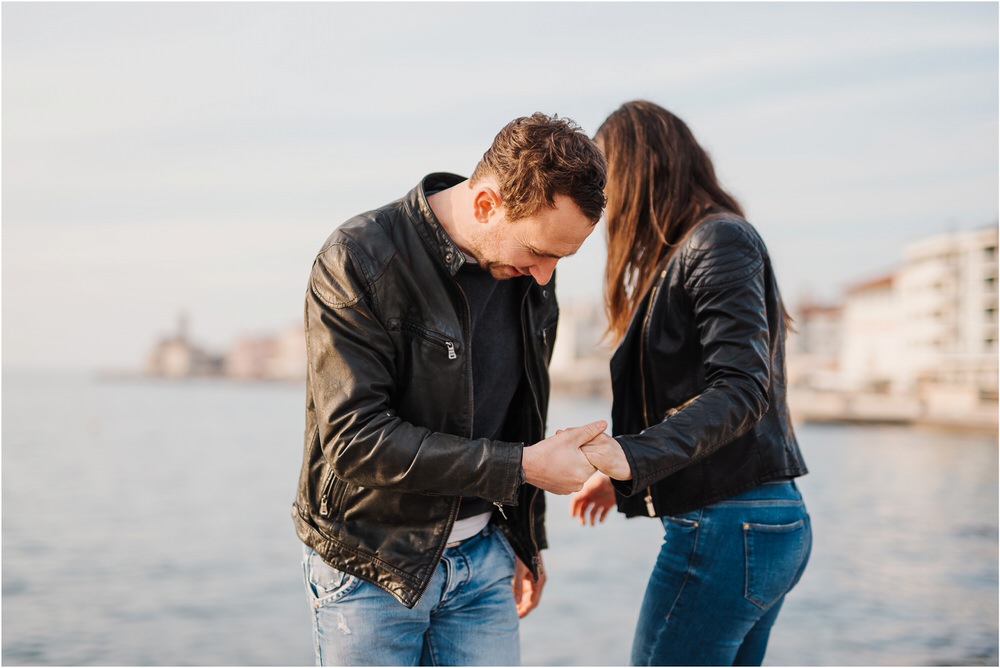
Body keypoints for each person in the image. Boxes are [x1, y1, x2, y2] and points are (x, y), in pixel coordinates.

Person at [292, 112, 610, 666]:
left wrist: (526, 543)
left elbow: (522, 418)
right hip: (372, 567)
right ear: (486, 205)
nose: (544, 275)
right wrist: (524, 469)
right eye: (538, 252)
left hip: (486, 560)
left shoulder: (532, 277)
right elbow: (354, 441)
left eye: (561, 259)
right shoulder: (358, 259)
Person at [571, 100, 813, 666]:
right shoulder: (700, 247)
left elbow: (740, 389)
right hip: (755, 523)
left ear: (638, 173)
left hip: (731, 525)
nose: (600, 205)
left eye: (605, 184)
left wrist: (631, 456)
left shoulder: (716, 242)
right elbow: (705, 391)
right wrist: (624, 478)